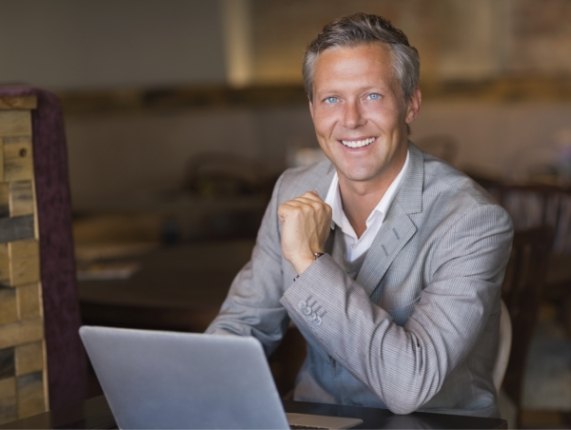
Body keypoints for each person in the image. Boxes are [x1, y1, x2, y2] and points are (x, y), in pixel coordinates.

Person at [206, 12, 513, 417]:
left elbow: (410, 386)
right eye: (332, 98)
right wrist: (189, 384)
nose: (350, 120)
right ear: (313, 109)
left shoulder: (472, 220)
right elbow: (244, 326)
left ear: (410, 104)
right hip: (316, 419)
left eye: (372, 96)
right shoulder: (293, 191)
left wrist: (308, 262)